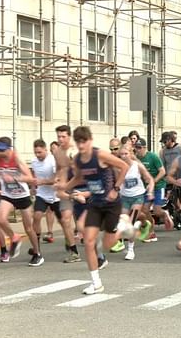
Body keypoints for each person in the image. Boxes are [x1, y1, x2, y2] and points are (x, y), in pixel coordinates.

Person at [56, 126, 130, 295]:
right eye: (78, 142)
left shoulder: (101, 155)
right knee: (88, 241)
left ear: (90, 141)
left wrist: (116, 189)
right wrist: (65, 187)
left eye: (84, 141)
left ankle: (123, 225)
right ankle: (96, 283)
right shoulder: (78, 160)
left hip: (111, 203)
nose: (81, 145)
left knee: (107, 244)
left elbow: (123, 166)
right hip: (96, 202)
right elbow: (79, 177)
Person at [0, 137, 43, 266]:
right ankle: (14, 238)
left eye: (3, 150)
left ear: (10, 149)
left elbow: (30, 178)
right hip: (7, 194)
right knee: (0, 219)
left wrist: (14, 178)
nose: (0, 153)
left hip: (22, 195)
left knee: (28, 228)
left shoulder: (17, 160)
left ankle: (37, 253)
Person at [118, 147, 155, 260]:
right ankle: (144, 223)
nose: (124, 156)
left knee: (131, 223)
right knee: (123, 223)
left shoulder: (137, 165)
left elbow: (150, 179)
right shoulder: (118, 167)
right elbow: (116, 182)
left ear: (131, 154)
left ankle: (130, 250)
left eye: (126, 153)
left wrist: (150, 191)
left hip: (137, 196)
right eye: (121, 154)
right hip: (125, 197)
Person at [53, 125, 82, 262]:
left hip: (80, 186)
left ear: (69, 136)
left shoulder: (76, 150)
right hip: (66, 189)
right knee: (65, 220)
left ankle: (97, 253)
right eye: (59, 136)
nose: (60, 139)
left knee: (83, 224)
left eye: (63, 136)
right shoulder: (57, 152)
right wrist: (57, 178)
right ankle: (74, 251)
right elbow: (59, 169)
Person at [135, 138, 173, 236]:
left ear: (145, 148)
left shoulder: (153, 157)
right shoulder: (136, 158)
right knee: (145, 210)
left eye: (139, 148)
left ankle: (165, 213)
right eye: (136, 148)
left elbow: (163, 171)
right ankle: (151, 231)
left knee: (157, 211)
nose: (138, 150)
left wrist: (154, 181)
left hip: (158, 186)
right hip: (146, 188)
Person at [31, 139, 61, 248]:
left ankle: (71, 244)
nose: (38, 155)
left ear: (46, 150)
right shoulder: (34, 161)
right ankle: (36, 244)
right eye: (35, 152)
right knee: (37, 216)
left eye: (40, 152)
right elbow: (34, 175)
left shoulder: (53, 160)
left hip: (56, 195)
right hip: (41, 194)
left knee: (63, 221)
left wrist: (43, 182)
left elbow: (56, 178)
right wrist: (33, 186)